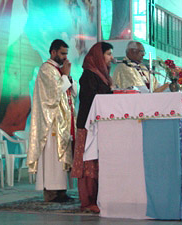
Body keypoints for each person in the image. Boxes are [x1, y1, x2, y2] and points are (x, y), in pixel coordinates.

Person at [27, 39, 77, 202]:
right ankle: (51, 192)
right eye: (62, 53)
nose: (65, 57)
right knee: (52, 156)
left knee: (60, 156)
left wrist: (67, 76)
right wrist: (65, 75)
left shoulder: (58, 70)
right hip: (51, 122)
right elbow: (53, 93)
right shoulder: (46, 69)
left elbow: (72, 92)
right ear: (53, 52)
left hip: (61, 120)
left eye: (66, 54)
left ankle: (61, 190)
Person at [71, 42, 114, 213]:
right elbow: (91, 100)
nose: (111, 58)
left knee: (96, 163)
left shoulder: (101, 75)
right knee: (88, 163)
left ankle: (96, 197)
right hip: (88, 126)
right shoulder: (89, 75)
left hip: (98, 125)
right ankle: (87, 200)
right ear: (98, 56)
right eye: (108, 54)